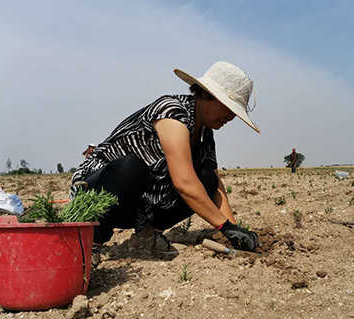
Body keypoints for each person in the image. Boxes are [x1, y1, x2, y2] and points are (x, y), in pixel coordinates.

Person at [71, 62, 260, 265]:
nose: (231, 117)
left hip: (139, 204)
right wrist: (224, 227)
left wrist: (235, 230)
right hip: (100, 193)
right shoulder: (172, 111)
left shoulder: (205, 133)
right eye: (229, 108)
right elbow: (184, 184)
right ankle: (90, 242)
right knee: (131, 168)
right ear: (206, 95)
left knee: (207, 180)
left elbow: (216, 187)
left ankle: (147, 236)